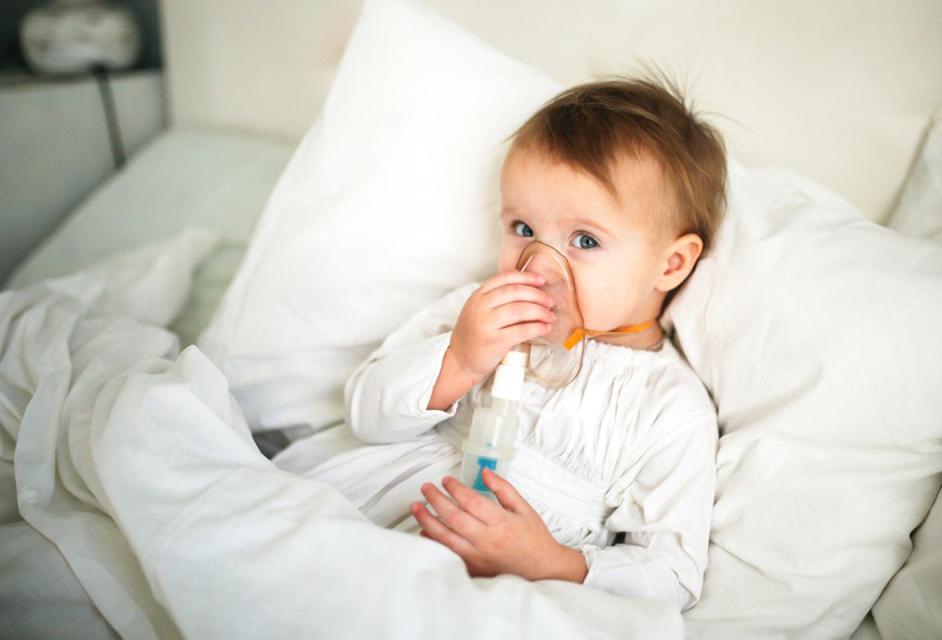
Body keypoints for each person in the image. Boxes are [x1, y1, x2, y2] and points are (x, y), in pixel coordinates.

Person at [273, 76, 726, 610]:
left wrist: (551, 563)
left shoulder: (671, 408)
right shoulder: (474, 311)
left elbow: (673, 575)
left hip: (502, 595)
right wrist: (458, 360)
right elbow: (366, 414)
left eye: (585, 240)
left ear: (671, 263)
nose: (539, 261)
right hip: (373, 515)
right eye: (523, 227)